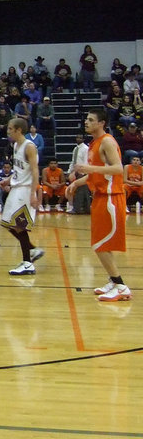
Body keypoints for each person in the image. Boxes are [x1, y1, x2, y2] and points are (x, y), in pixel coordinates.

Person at [66, 107, 130, 301]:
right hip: (101, 197)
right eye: (86, 119)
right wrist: (77, 182)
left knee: (100, 245)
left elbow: (119, 168)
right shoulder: (94, 143)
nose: (87, 122)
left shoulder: (108, 141)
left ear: (101, 123)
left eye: (91, 119)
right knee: (103, 244)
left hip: (111, 197)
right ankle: (113, 280)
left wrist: (88, 168)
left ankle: (121, 286)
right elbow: (98, 172)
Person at [0, 117, 44, 276]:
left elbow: (34, 171)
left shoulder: (29, 147)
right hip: (16, 188)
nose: (8, 131)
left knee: (19, 225)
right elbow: (20, 171)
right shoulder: (16, 145)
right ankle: (32, 250)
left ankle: (27, 263)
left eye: (10, 128)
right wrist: (8, 179)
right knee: (7, 223)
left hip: (25, 190)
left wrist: (34, 194)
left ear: (18, 130)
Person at [66, 132, 90, 214]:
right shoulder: (75, 149)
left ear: (83, 139)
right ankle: (86, 209)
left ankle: (78, 209)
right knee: (82, 191)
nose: (78, 139)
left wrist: (83, 172)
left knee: (82, 191)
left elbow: (86, 162)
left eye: (80, 138)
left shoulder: (86, 149)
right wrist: (70, 172)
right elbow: (73, 161)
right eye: (77, 137)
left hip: (83, 173)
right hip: (76, 172)